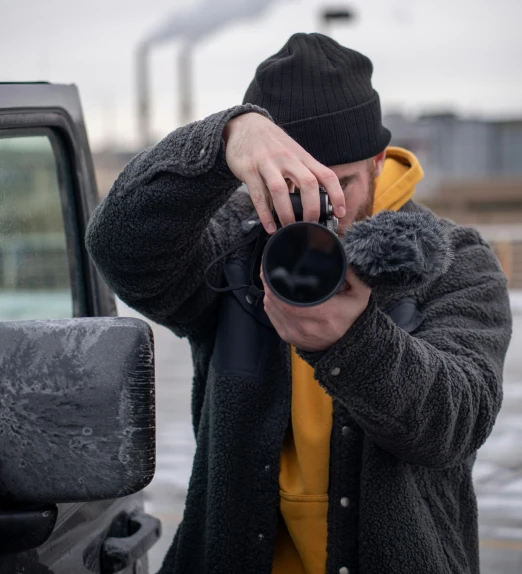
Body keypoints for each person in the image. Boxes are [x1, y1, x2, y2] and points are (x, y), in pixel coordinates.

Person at [86, 33, 512, 574]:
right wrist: (224, 137)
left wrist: (355, 343)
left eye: (341, 183)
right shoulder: (234, 247)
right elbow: (117, 247)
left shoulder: (453, 260)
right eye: (295, 186)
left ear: (381, 161)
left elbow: (455, 422)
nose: (319, 210)